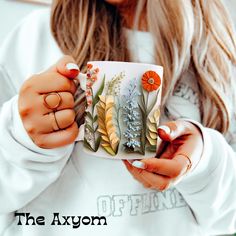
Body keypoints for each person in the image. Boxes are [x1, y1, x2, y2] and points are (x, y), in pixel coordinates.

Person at [0, 0, 236, 235]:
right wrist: (21, 138)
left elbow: (229, 216)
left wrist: (205, 162)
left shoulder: (217, 48)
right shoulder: (33, 37)